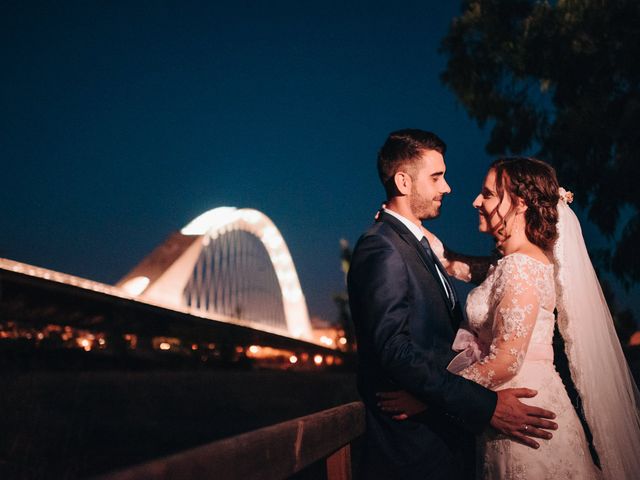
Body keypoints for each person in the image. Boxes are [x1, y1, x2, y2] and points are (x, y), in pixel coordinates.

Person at [379, 157, 640, 479]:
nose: (476, 201)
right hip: (511, 404)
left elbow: (506, 361)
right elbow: (472, 269)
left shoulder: (520, 268)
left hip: (521, 410)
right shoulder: (515, 263)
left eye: (487, 194)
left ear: (517, 204)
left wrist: (429, 398)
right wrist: (419, 235)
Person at [347, 130, 557, 480]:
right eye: (436, 177)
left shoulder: (421, 247)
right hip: (412, 450)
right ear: (403, 181)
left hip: (471, 429)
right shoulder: (381, 247)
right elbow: (394, 349)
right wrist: (480, 405)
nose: (448, 188)